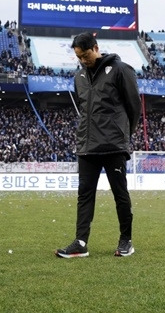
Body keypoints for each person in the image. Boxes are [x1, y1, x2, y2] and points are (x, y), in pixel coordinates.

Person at [55, 32, 141, 258]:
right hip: (87, 146)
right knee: (84, 195)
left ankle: (126, 241)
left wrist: (124, 136)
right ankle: (80, 243)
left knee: (120, 194)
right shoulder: (79, 77)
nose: (83, 60)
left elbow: (134, 107)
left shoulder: (122, 70)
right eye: (79, 57)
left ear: (95, 47)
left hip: (114, 145)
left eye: (85, 55)